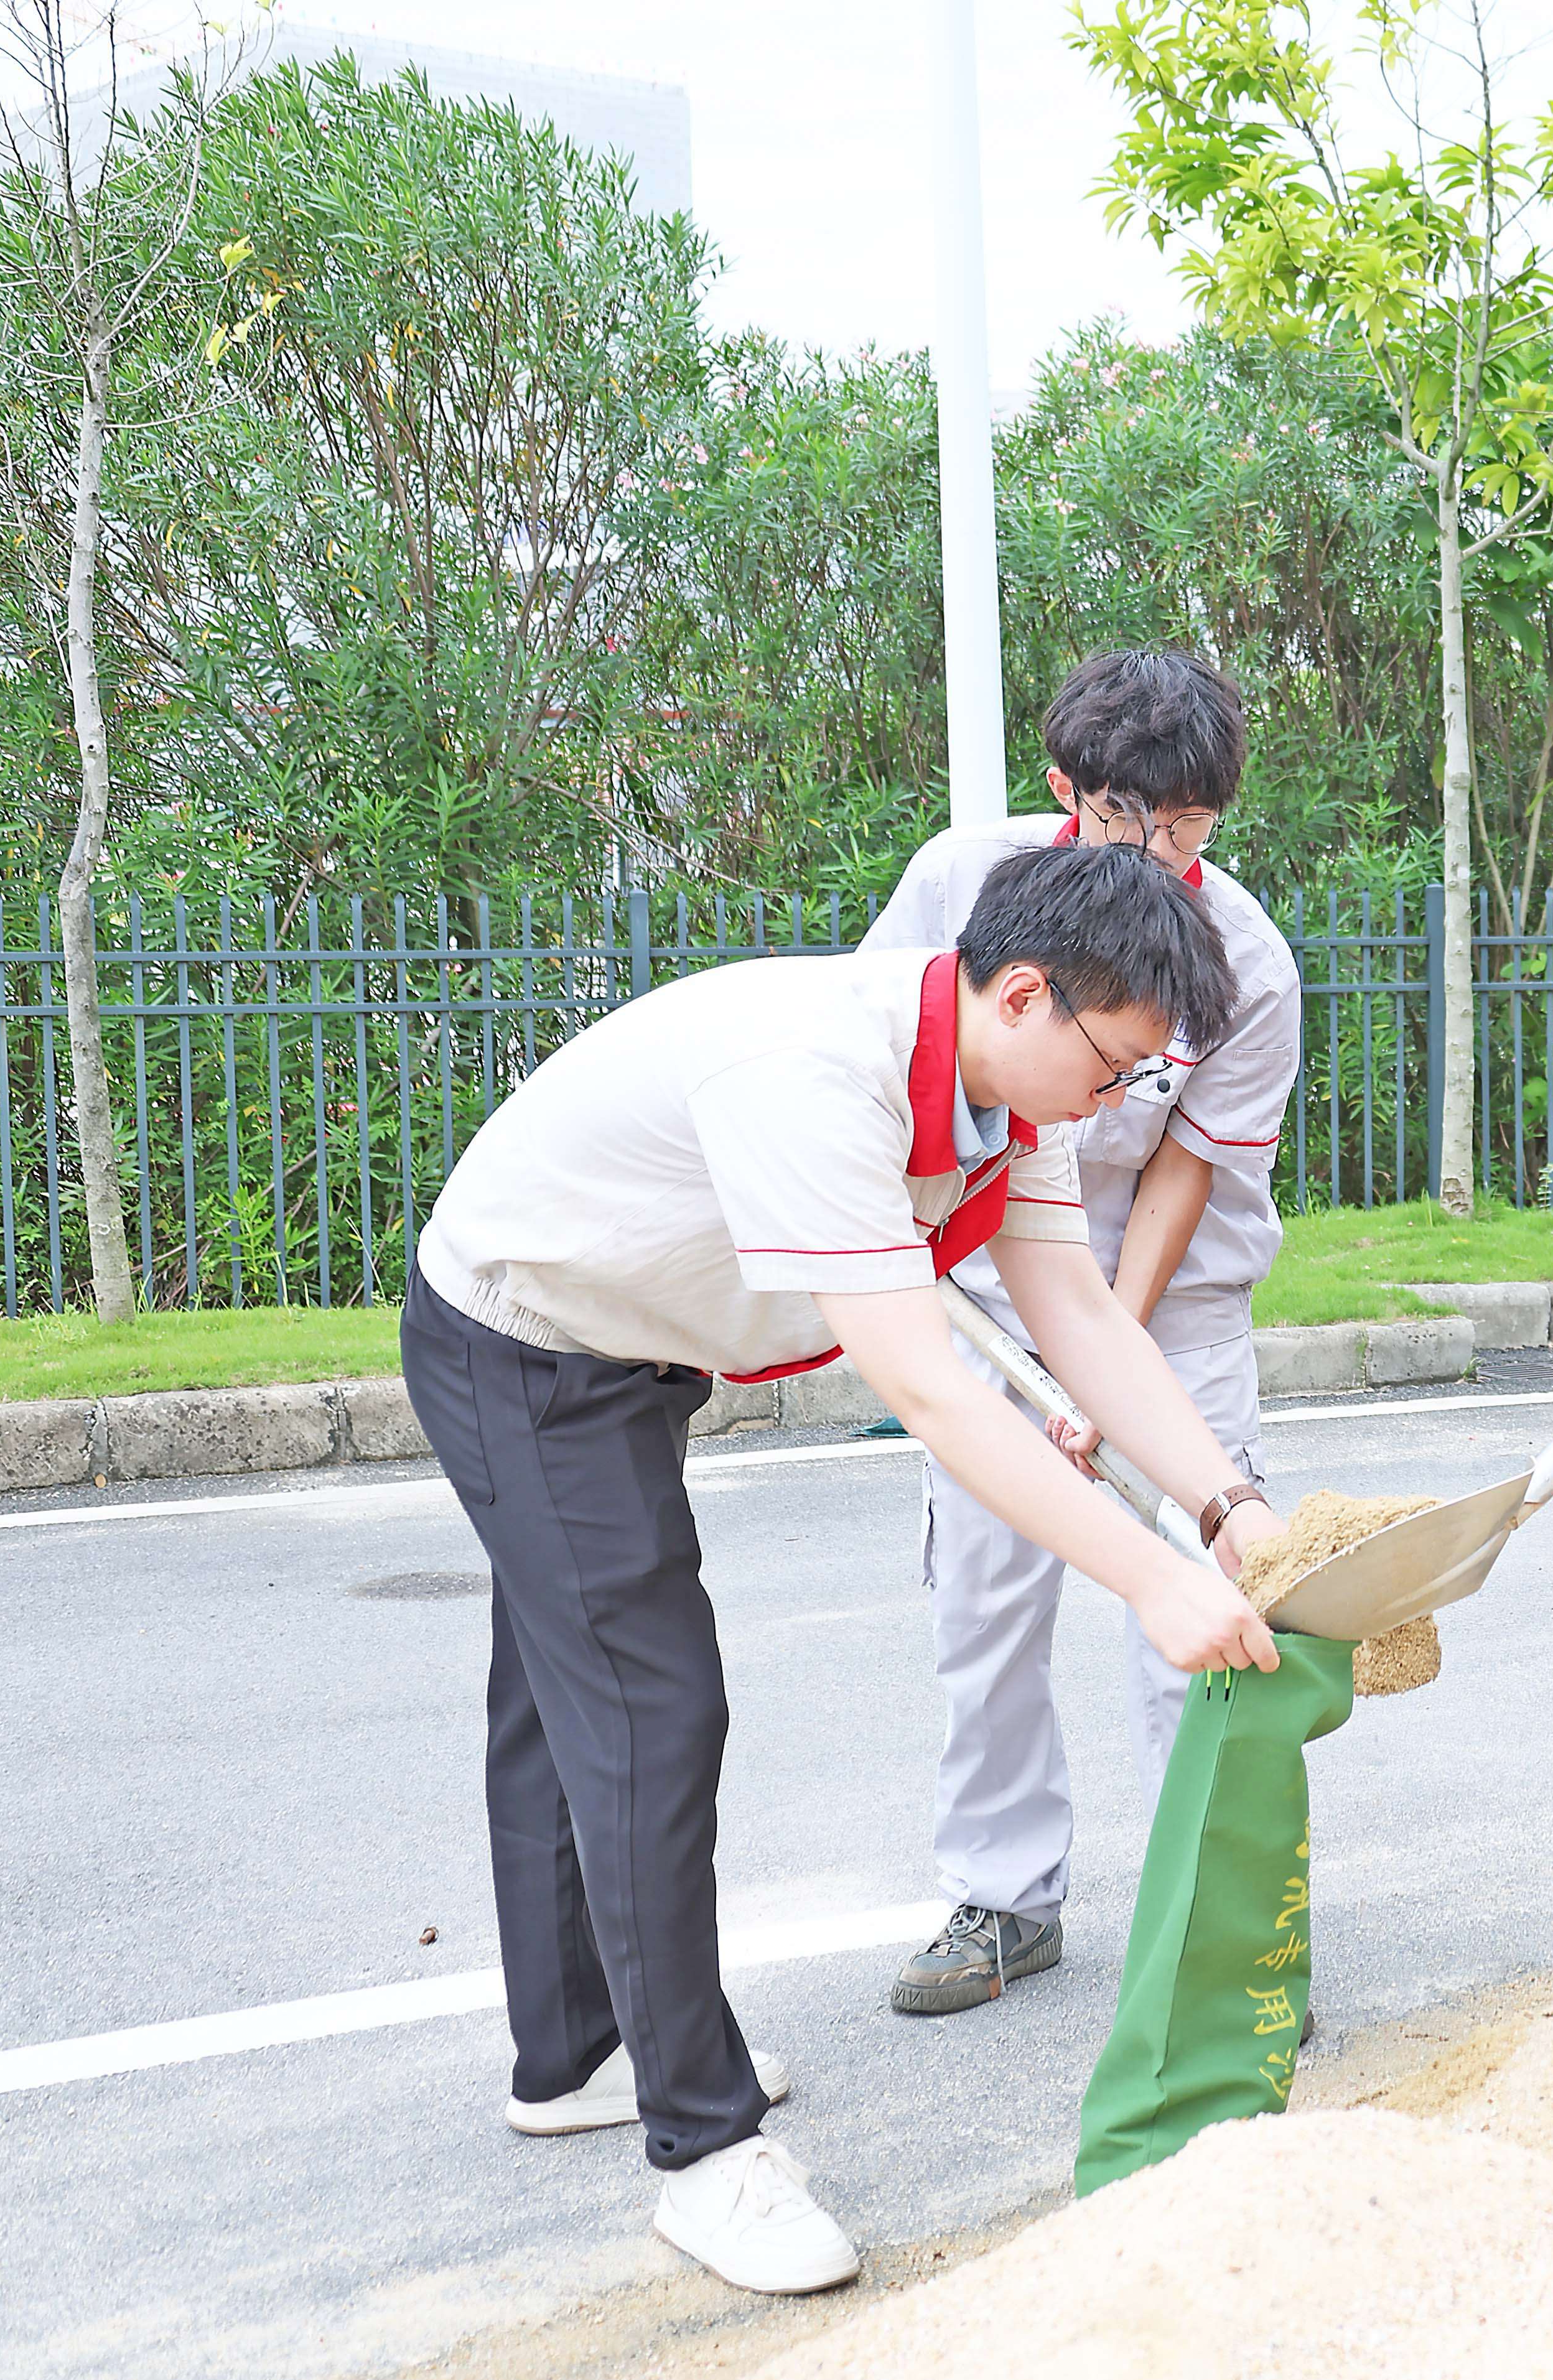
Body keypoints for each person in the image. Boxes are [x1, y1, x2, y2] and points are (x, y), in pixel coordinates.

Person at [401, 842, 1287, 2296]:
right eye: (1120, 1066)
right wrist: (1151, 1577)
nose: (1125, 1099)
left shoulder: (1009, 1091)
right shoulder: (820, 1075)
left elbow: (1078, 1315)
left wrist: (1223, 1501)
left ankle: (572, 2053)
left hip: (626, 1334)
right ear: (1022, 994)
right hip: (526, 1334)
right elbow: (936, 1393)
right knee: (649, 1703)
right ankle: (705, 2151)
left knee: (563, 1693)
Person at [859, 651, 1303, 2019]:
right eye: (1133, 819)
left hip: (1174, 1304)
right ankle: (1004, 1893)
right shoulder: (960, 881)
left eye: (1194, 827)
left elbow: (1183, 1170)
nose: (1166, 854)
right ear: (1066, 789)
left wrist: (1109, 1351)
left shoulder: (1249, 958)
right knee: (986, 1600)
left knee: (1204, 1588)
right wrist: (1033, 1358)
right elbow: (892, 1068)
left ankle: (1222, 1922)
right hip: (994, 1289)